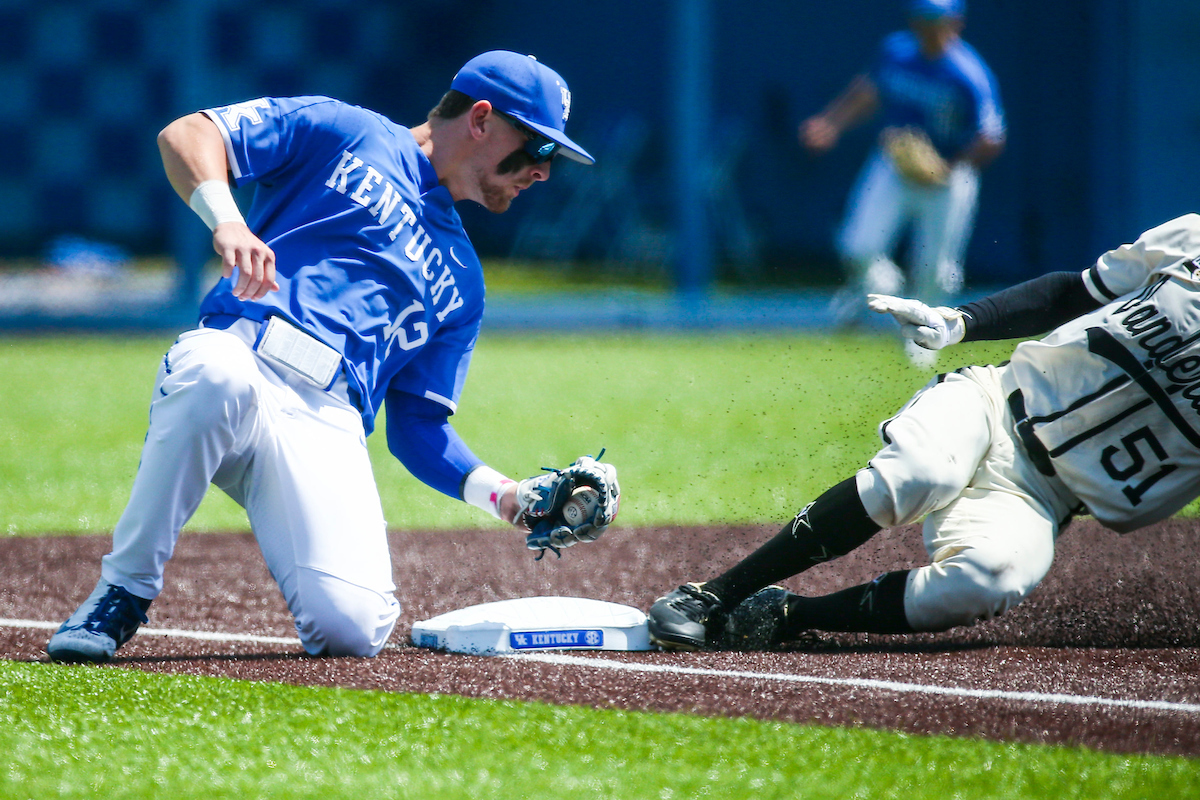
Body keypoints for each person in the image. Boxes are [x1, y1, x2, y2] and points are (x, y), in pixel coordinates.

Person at [46, 51, 620, 664]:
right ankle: (123, 592)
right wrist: (227, 221)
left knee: (352, 630)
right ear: (481, 118)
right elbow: (188, 134)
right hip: (243, 356)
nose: (543, 171)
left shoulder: (464, 282)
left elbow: (418, 427)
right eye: (536, 148)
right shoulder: (346, 129)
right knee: (214, 376)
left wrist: (505, 495)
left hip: (328, 420)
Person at [648, 212, 1200, 651]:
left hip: (1044, 498)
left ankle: (785, 615)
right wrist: (960, 322)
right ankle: (713, 595)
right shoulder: (1191, 238)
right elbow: (1072, 293)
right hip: (994, 403)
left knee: (989, 578)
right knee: (919, 473)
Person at [801, 0, 1005, 362]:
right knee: (857, 245)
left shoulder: (967, 73)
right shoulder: (896, 51)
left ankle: (922, 349)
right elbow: (869, 89)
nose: (928, 27)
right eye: (922, 19)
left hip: (947, 177)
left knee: (935, 272)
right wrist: (831, 122)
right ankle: (882, 285)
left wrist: (950, 166)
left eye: (936, 20)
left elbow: (991, 137)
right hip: (894, 165)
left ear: (955, 23)